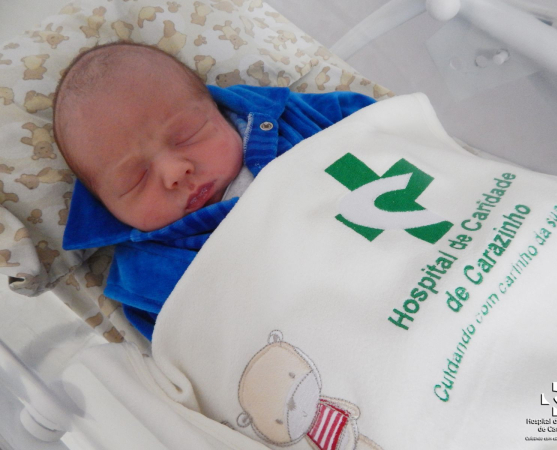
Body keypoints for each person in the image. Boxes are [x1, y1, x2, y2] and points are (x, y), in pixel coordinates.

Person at [54, 42, 377, 340]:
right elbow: (203, 352)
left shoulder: (288, 123)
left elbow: (381, 127)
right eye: (135, 179)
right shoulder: (150, 271)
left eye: (187, 134)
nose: (175, 172)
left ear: (219, 111)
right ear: (105, 209)